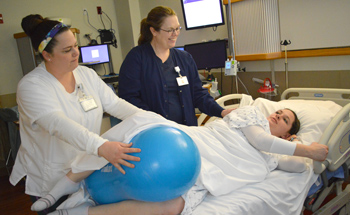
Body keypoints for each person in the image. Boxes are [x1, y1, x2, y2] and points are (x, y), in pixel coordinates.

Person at [30, 106, 328, 215]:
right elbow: (263, 140)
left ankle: (80, 213)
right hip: (192, 147)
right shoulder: (250, 115)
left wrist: (297, 148)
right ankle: (68, 182)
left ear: (288, 134)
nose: (276, 114)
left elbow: (297, 166)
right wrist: (309, 150)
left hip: (204, 176)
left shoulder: (271, 158)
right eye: (278, 111)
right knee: (142, 121)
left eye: (285, 119)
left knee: (172, 207)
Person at [9, 14, 151, 214]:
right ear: (47, 55)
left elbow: (115, 104)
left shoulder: (86, 75)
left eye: (76, 46)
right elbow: (59, 125)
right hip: (52, 177)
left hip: (87, 171)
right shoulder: (31, 86)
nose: (76, 53)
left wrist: (150, 118)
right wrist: (102, 146)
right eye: (67, 50)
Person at [118, 6, 233, 126]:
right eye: (170, 30)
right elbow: (128, 98)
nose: (175, 34)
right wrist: (150, 116)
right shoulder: (137, 58)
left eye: (178, 28)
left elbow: (198, 94)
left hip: (187, 130)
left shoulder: (184, 58)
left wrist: (222, 111)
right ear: (154, 31)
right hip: (154, 130)